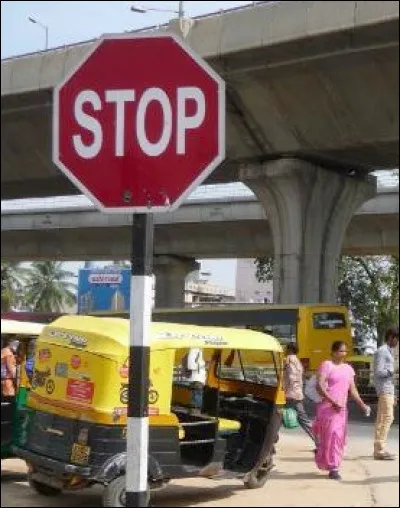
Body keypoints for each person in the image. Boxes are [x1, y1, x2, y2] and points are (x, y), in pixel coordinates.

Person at [313, 341, 370, 480]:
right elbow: (319, 386)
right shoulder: (327, 365)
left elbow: (353, 390)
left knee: (337, 438)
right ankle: (327, 461)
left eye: (345, 351)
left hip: (341, 410)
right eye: (340, 351)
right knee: (328, 438)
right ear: (333, 352)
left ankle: (334, 467)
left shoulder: (348, 369)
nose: (343, 354)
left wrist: (363, 405)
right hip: (327, 408)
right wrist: (333, 401)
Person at [373, 327, 399, 460]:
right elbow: (378, 372)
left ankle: (379, 448)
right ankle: (380, 449)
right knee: (387, 418)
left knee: (383, 418)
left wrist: (393, 393)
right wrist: (393, 370)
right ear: (391, 337)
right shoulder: (382, 351)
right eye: (397, 339)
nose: (397, 342)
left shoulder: (388, 351)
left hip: (388, 389)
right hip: (384, 389)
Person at [283, 343, 316, 446]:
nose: (284, 349)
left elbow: (291, 377)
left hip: (288, 394)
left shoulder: (288, 359)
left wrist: (284, 390)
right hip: (297, 393)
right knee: (304, 420)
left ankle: (269, 447)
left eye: (286, 347)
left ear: (289, 349)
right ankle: (320, 443)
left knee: (273, 420)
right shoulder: (298, 361)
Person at [185, 348, 206, 413]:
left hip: (198, 380)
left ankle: (194, 413)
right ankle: (195, 414)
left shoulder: (198, 350)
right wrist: (201, 366)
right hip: (197, 380)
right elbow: (191, 365)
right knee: (196, 404)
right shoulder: (194, 349)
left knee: (195, 401)